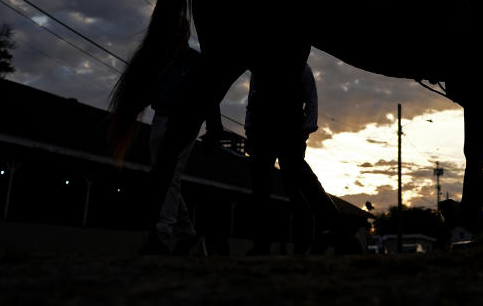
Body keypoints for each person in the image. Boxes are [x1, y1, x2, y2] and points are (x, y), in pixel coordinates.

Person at [244, 63, 340, 254]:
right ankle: (261, 244)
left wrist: (306, 129)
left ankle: (331, 228)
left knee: (298, 185)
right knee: (261, 189)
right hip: (262, 131)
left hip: (291, 131)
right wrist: (249, 126)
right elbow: (252, 96)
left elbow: (312, 101)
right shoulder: (260, 66)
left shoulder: (302, 68)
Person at [139, 45, 224, 255]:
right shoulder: (163, 60)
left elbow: (210, 94)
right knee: (165, 175)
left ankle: (162, 233)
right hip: (160, 117)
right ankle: (186, 233)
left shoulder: (196, 61)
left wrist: (213, 127)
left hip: (183, 122)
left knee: (169, 175)